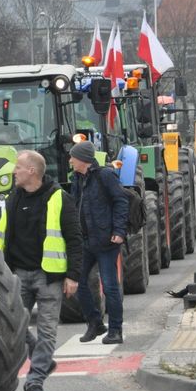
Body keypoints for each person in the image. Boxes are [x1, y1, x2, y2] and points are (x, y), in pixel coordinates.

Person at [0, 150, 82, 391]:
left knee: (47, 331)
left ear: (32, 171)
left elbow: (75, 240)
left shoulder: (58, 198)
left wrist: (73, 276)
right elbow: (2, 239)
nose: (14, 171)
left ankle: (35, 380)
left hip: (49, 277)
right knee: (13, 325)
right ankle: (41, 358)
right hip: (18, 275)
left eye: (18, 167)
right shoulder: (12, 199)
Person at [69, 139, 129, 344]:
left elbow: (121, 201)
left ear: (83, 160)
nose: (70, 161)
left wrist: (119, 231)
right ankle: (95, 323)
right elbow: (75, 206)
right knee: (78, 282)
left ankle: (115, 330)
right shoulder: (76, 178)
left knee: (110, 286)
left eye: (73, 157)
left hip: (106, 240)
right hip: (85, 241)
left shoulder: (105, 175)